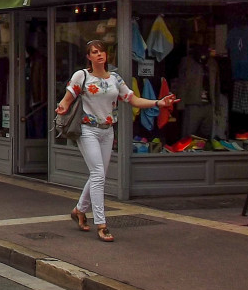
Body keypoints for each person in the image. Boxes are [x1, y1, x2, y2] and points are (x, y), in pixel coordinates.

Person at [56, 39, 177, 242]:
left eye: (101, 51)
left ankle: (79, 210)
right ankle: (101, 224)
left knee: (98, 174)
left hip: (107, 130)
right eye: (94, 52)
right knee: (98, 175)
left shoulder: (115, 79)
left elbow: (133, 100)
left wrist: (158, 102)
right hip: (87, 130)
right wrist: (62, 107)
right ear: (89, 57)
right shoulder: (81, 76)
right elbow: (67, 99)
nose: (99, 55)